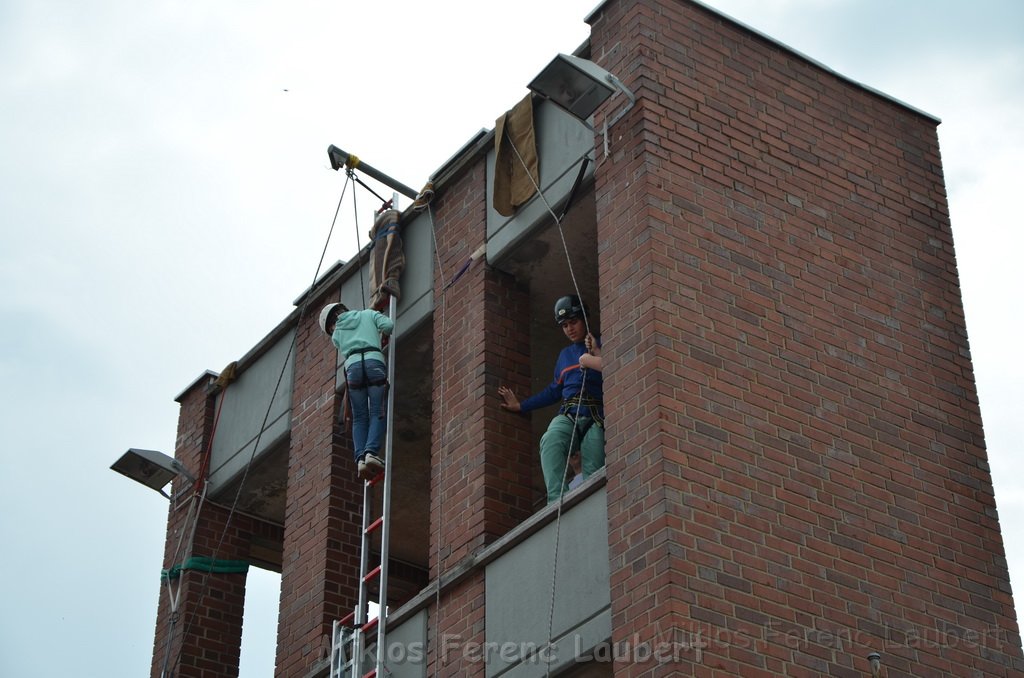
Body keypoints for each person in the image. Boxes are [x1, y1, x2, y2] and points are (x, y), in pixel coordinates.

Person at [498, 295, 604, 503]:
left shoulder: (601, 342)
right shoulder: (565, 355)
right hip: (569, 413)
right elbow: (554, 390)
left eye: (573, 322)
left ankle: (593, 506)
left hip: (596, 416)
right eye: (564, 325)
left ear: (585, 319)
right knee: (551, 440)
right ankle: (556, 502)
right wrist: (522, 406)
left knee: (594, 467)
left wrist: (596, 351)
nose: (569, 329)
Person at [319, 301, 394, 480]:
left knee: (359, 417)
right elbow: (389, 326)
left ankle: (360, 458)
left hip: (353, 370)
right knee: (378, 411)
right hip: (374, 362)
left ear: (332, 324)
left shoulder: (336, 334)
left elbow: (341, 342)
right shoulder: (368, 314)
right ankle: (371, 453)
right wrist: (378, 335)